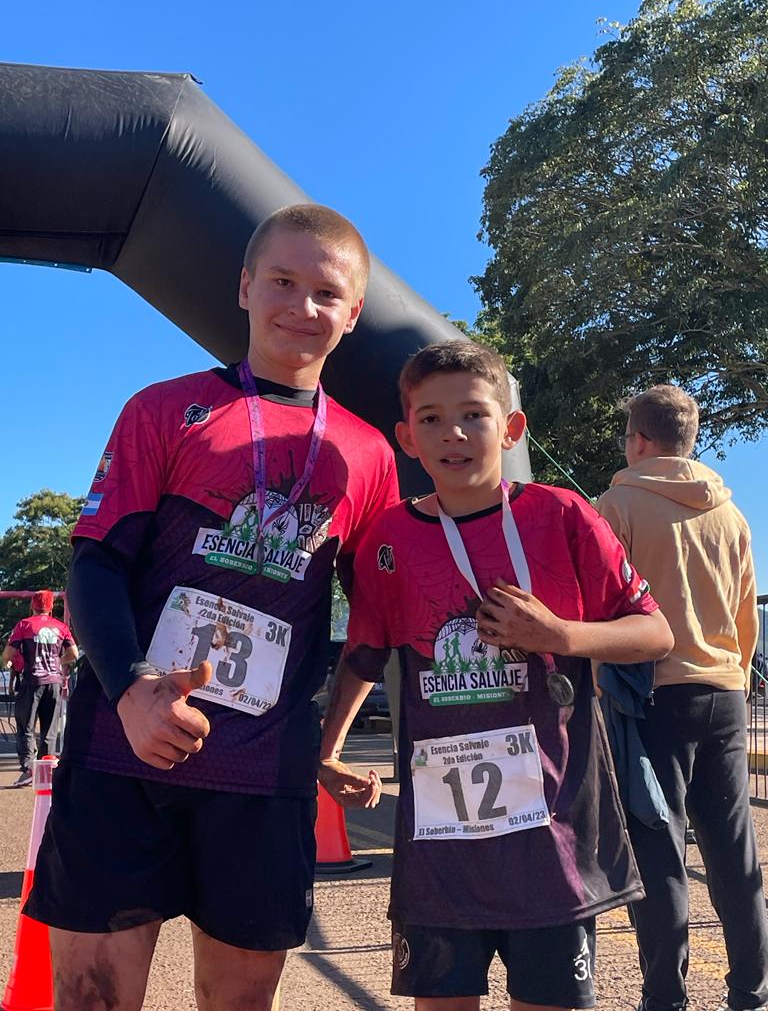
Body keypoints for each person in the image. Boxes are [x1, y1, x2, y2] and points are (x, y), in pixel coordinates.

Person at [25, 204, 398, 1011]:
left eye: (326, 293)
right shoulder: (164, 409)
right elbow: (96, 563)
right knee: (90, 998)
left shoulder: (368, 454)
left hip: (261, 771)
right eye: (283, 282)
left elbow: (376, 618)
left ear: (353, 313)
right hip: (124, 748)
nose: (302, 306)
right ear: (244, 286)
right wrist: (132, 688)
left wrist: (330, 742)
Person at [319, 340, 673, 1011]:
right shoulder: (390, 538)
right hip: (440, 852)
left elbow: (655, 633)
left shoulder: (562, 515)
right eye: (431, 419)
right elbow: (363, 652)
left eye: (474, 415)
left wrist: (561, 636)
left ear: (511, 428)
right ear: (407, 438)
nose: (453, 433)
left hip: (552, 839)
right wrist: (328, 750)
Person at [597, 385, 768, 1011]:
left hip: (650, 698)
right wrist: (735, 674)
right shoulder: (732, 515)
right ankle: (751, 992)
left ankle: (665, 996)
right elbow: (747, 615)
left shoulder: (616, 507)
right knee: (734, 854)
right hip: (724, 691)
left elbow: (599, 606)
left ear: (640, 440)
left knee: (658, 848)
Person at [1, 590, 78, 788]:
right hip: (54, 681)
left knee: (25, 726)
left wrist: (12, 663)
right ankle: (46, 770)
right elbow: (73, 653)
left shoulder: (24, 625)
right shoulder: (61, 627)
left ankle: (28, 769)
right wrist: (59, 662)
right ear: (51, 607)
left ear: (32, 606)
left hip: (32, 680)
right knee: (49, 729)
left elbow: (7, 654)